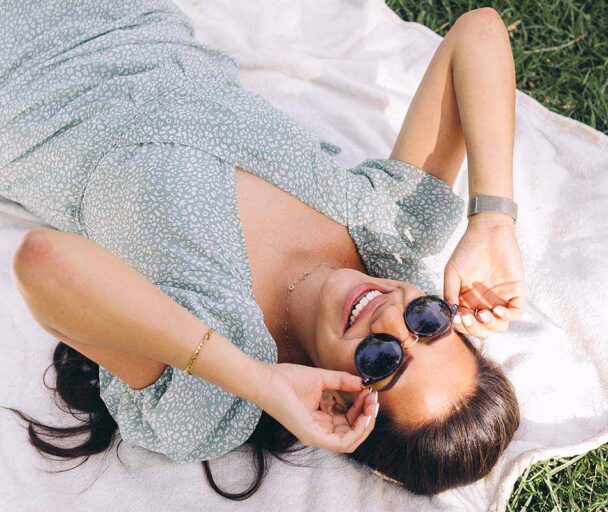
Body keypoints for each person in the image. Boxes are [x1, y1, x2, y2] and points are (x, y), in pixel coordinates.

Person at [1, 0, 523, 498]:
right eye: (428, 322)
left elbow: (44, 261)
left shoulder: (212, 395)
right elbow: (477, 32)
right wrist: (494, 221)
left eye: (382, 359)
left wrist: (259, 382)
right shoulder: (390, 230)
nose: (391, 315)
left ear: (343, 404)